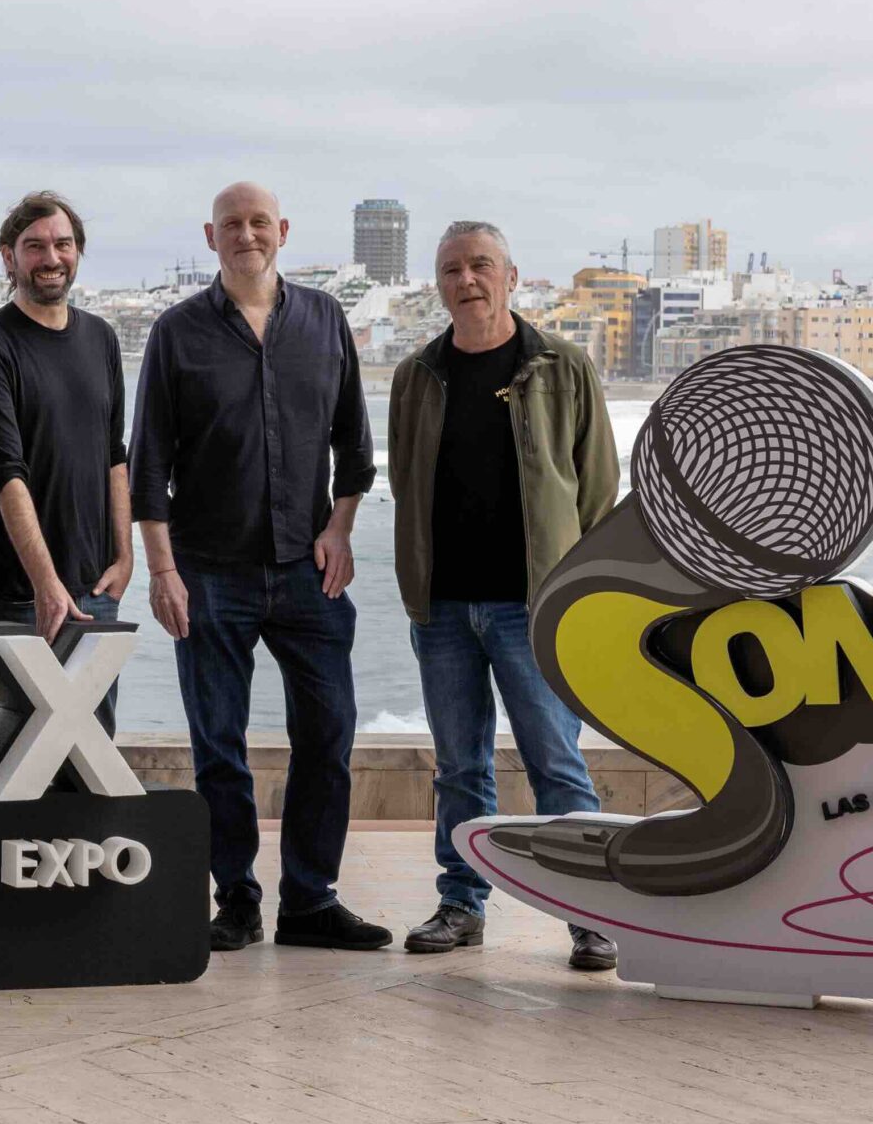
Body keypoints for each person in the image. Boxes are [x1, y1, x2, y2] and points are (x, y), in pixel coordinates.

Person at [133, 181, 387, 953]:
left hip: (310, 570)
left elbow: (354, 444)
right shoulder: (176, 332)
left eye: (258, 222)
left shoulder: (325, 319)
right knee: (218, 743)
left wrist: (340, 527)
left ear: (282, 230)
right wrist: (162, 571)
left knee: (329, 732)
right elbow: (149, 464)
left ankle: (310, 900)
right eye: (231, 224)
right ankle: (236, 900)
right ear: (211, 237)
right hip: (208, 571)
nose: (246, 234)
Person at [387, 219, 620, 971]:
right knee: (459, 767)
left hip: (534, 608)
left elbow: (598, 490)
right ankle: (461, 903)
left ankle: (592, 915)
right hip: (443, 609)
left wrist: (577, 591)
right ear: (439, 284)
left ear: (511, 276)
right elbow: (406, 481)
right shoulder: (418, 375)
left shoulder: (561, 366)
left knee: (556, 761)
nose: (467, 280)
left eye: (481, 265)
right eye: (452, 269)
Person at [0, 192, 133, 724]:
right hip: (19, 594)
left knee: (92, 749)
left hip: (96, 588)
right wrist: (45, 583)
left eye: (63, 244)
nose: (51, 257)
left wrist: (125, 558)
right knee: (13, 753)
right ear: (8, 257)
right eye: (34, 246)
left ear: (77, 251)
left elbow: (114, 456)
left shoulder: (101, 338)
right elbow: (5, 475)